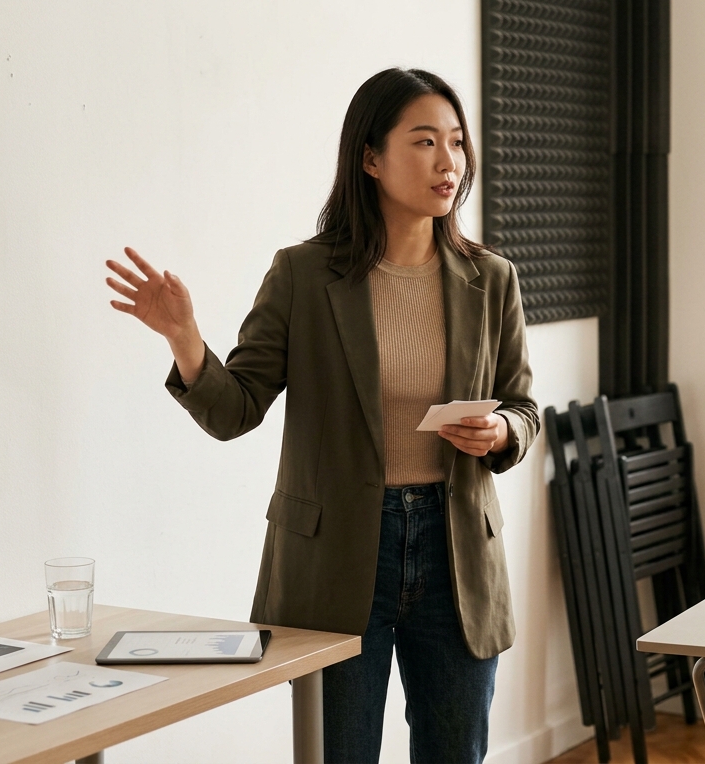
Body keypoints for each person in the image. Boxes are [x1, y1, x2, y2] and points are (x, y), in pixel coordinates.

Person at [103, 68, 538, 764]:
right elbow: (234, 409)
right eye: (425, 141)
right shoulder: (303, 276)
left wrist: (503, 431)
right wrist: (185, 339)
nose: (449, 161)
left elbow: (522, 404)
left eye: (456, 141)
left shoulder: (491, 279)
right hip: (337, 559)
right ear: (370, 158)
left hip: (455, 554)